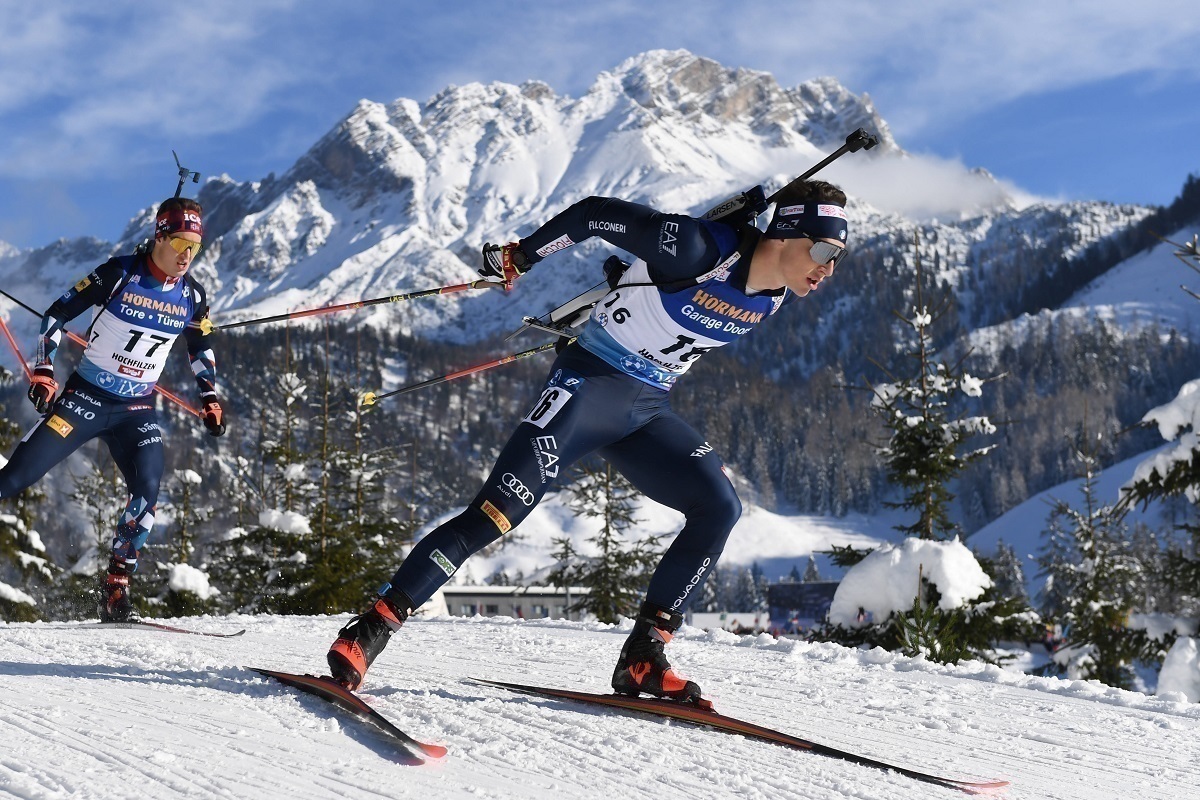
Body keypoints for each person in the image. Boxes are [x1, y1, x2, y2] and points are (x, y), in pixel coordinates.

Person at [327, 180, 849, 702]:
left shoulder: (776, 296)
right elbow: (596, 215)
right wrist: (521, 255)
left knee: (719, 506)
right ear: (784, 234)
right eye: (823, 250)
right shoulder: (697, 248)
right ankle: (371, 628)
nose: (827, 269)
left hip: (647, 409)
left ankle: (644, 655)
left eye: (838, 257)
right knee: (496, 513)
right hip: (587, 391)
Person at [0, 197, 226, 621]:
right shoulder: (119, 274)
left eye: (195, 246)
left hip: (137, 409)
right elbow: (56, 315)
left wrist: (210, 397)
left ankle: (115, 589)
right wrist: (44, 371)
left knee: (148, 489)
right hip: (86, 400)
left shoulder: (193, 296)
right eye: (180, 242)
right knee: (14, 478)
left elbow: (200, 345)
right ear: (160, 235)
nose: (187, 255)